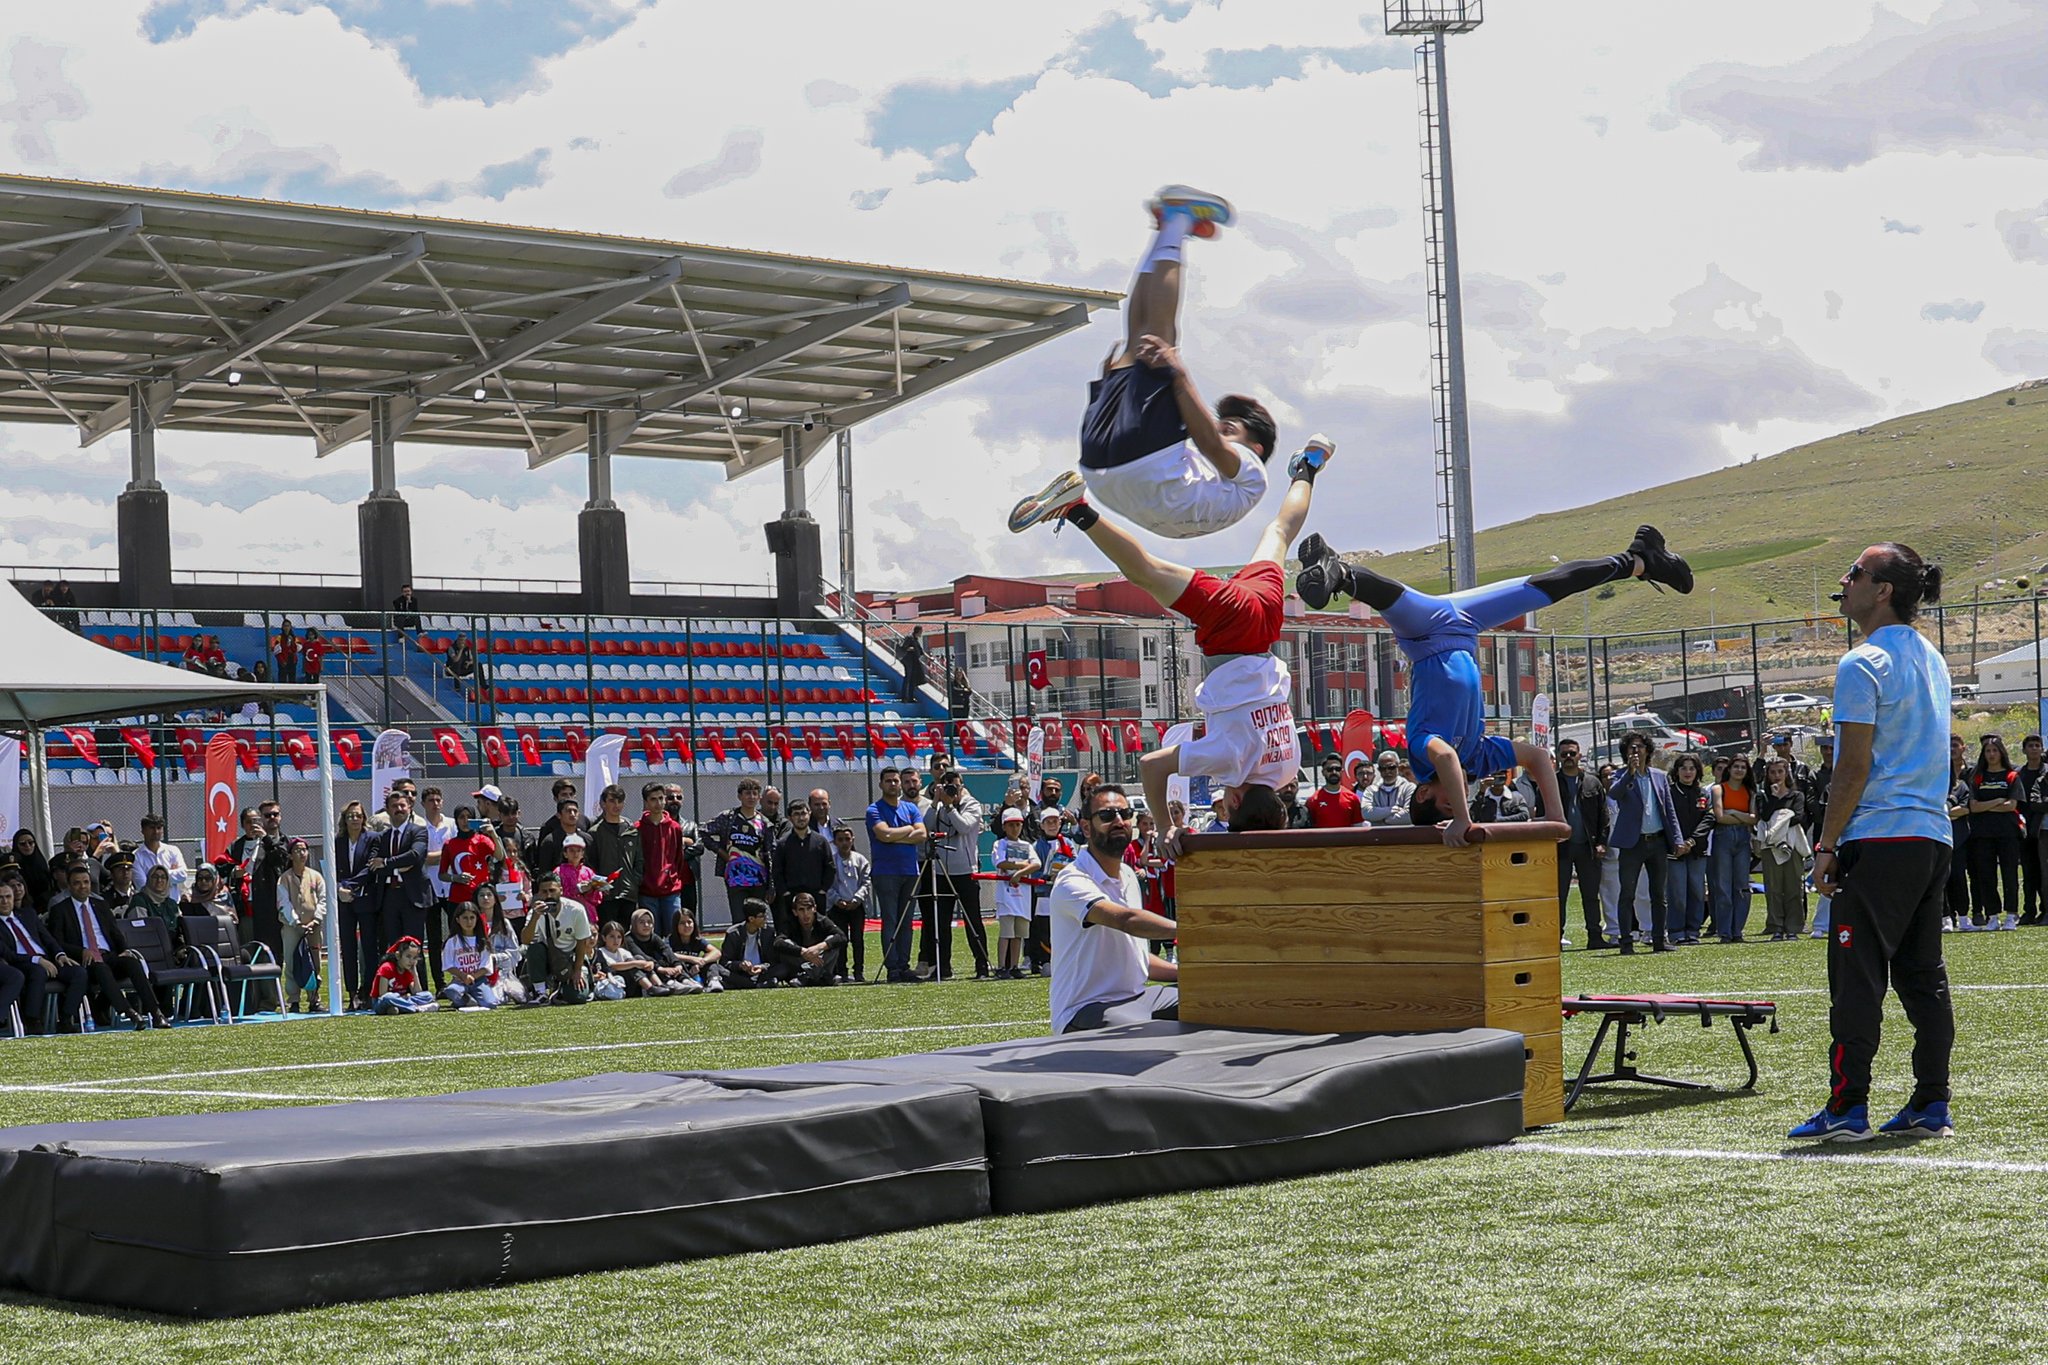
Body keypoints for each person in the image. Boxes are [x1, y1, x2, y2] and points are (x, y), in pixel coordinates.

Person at [1015, 431, 1330, 850]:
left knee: (1279, 532)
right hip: (1230, 627)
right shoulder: (1229, 763)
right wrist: (1167, 827)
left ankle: (1308, 466)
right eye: (1228, 803)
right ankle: (1077, 509)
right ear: (1233, 800)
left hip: (1266, 622)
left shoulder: (1288, 768)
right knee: (1144, 571)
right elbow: (1151, 764)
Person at [1298, 531, 1691, 844]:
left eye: (1449, 803)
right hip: (1464, 624)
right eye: (1460, 805)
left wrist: (1462, 822)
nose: (1461, 798)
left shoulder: (1421, 751)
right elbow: (1537, 757)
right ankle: (1640, 559)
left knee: (1389, 599)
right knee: (1548, 587)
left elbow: (1447, 759)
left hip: (1426, 632)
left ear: (1422, 794)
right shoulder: (1480, 757)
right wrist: (1555, 818)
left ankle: (1339, 572)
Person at [1792, 543, 1956, 1142]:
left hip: (1879, 836)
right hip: (1931, 836)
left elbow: (1851, 769)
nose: (1844, 580)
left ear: (1882, 589)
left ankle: (1847, 1108)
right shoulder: (1932, 659)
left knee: (1856, 978)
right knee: (1922, 974)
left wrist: (1826, 845)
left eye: (1855, 572)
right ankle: (1931, 1102)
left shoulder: (1861, 663)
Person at [1008, 186, 1274, 541]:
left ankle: (1177, 219)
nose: (1220, 427)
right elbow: (1204, 442)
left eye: (1231, 428)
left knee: (1161, 339)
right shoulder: (1218, 490)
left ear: (1255, 447)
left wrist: (1178, 376)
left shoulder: (1253, 472)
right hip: (1102, 470)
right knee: (1138, 340)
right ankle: (1168, 229)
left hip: (1143, 467)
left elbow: (1210, 443)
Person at [1047, 784, 1181, 1032]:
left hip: (1140, 999)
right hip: (1085, 1010)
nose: (1119, 821)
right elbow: (1127, 920)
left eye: (1125, 814)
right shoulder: (1072, 880)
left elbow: (1138, 960)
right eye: (1107, 816)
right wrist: (1194, 930)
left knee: (1210, 1000)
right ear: (1086, 827)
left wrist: (1192, 974)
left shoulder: (1128, 875)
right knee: (1147, 1035)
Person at [48, 863, 170, 1029]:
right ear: (69, 886)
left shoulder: (100, 905)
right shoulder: (60, 910)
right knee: (101, 969)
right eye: (77, 883)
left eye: (86, 882)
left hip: (108, 955)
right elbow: (58, 941)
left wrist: (124, 949)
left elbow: (115, 933)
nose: (82, 886)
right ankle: (129, 1012)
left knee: (133, 963)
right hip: (85, 960)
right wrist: (81, 951)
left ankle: (156, 1013)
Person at [1606, 734, 1685, 954]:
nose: (1636, 751)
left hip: (1657, 842)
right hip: (1632, 844)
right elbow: (1614, 794)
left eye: (1640, 747)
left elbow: (1669, 811)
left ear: (1647, 750)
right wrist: (1629, 774)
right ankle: (1626, 942)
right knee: (1627, 894)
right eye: (1631, 748)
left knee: (1659, 895)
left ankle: (1659, 940)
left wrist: (1677, 839)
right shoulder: (1620, 776)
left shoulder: (1659, 777)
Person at [920, 771, 992, 981]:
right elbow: (928, 825)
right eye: (947, 787)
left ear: (962, 787)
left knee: (973, 921)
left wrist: (950, 806)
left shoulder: (972, 804)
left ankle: (981, 965)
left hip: (966, 871)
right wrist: (935, 802)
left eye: (955, 787)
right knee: (941, 923)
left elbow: (963, 826)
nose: (952, 791)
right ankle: (943, 967)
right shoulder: (939, 805)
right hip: (942, 871)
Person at [866, 767, 929, 984]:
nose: (893, 784)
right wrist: (907, 830)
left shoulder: (910, 808)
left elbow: (922, 834)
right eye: (889, 781)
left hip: (910, 872)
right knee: (890, 920)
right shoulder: (874, 810)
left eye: (895, 781)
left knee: (907, 921)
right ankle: (892, 967)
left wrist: (895, 835)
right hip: (886, 873)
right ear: (881, 784)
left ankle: (904, 965)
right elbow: (883, 834)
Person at [0, 879, 86, 1033]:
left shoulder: (28, 914)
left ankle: (66, 1019)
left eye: (8, 897)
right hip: (22, 962)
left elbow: (48, 938)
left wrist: (60, 954)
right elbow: (8, 955)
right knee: (37, 971)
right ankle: (33, 1020)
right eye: (0, 898)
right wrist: (36, 960)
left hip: (46, 959)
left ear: (13, 898)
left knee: (78, 972)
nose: (5, 901)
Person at [1553, 739, 1612, 949]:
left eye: (1572, 754)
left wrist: (1602, 843)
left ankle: (1595, 937)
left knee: (1590, 895)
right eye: (1564, 755)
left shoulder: (1592, 783)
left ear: (1580, 756)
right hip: (1560, 848)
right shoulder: (1552, 782)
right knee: (1558, 896)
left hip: (1588, 847)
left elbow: (1603, 816)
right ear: (1559, 757)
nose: (1568, 758)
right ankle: (1555, 939)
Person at [1965, 734, 2025, 931]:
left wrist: (1987, 805)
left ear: (2001, 753)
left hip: (2007, 833)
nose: (1991, 754)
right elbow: (1973, 807)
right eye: (1988, 751)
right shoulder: (1977, 777)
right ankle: (1992, 916)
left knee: (2009, 874)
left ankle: (2011, 915)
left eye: (1994, 751)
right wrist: (1998, 800)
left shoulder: (2012, 776)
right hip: (1982, 834)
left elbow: (2012, 805)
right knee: (1986, 875)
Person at [365, 790, 432, 960]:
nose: (399, 809)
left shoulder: (419, 831)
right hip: (389, 896)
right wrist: (398, 865)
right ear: (387, 810)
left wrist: (387, 862)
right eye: (394, 806)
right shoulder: (382, 837)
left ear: (410, 807)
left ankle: (419, 986)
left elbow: (415, 856)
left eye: (403, 805)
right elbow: (373, 864)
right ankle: (397, 986)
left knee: (414, 948)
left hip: (413, 896)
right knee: (394, 948)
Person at [703, 778, 772, 931]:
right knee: (740, 922)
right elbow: (703, 832)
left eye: (755, 794)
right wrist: (721, 853)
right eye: (747, 793)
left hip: (759, 880)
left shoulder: (765, 823)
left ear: (759, 797)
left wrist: (771, 885)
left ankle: (758, 953)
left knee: (758, 922)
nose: (751, 797)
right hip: (735, 879)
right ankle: (739, 954)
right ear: (739, 796)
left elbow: (770, 854)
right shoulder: (728, 817)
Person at [1756, 756, 1811, 940]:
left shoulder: (1796, 795)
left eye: (1780, 771)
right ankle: (1776, 926)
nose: (1777, 776)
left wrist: (1780, 817)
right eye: (1772, 772)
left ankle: (1794, 926)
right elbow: (1764, 816)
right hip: (1770, 845)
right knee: (1773, 887)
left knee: (1794, 885)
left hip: (1792, 844)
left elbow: (1798, 817)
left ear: (1787, 772)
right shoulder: (1763, 795)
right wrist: (1774, 798)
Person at [331, 800, 377, 1008]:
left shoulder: (373, 839)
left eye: (358, 815)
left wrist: (349, 885)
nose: (355, 819)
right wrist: (340, 888)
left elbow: (370, 868)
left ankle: (367, 991)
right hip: (344, 901)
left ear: (364, 818)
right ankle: (351, 993)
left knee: (368, 947)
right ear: (345, 820)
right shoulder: (338, 842)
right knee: (348, 949)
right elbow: (332, 868)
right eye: (350, 816)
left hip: (366, 899)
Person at [521, 872, 593, 1004]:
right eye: (544, 891)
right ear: (539, 893)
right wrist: (535, 918)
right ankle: (541, 992)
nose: (548, 895)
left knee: (577, 998)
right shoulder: (535, 912)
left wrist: (577, 971)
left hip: (570, 958)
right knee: (534, 948)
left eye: (552, 890)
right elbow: (525, 940)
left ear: (561, 890)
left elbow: (582, 942)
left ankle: (560, 991)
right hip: (547, 958)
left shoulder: (576, 910)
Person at [1709, 754, 1759, 943]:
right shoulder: (1718, 789)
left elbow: (1754, 819)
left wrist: (1735, 813)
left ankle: (1737, 930)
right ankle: (1724, 932)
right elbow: (1720, 817)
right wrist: (1743, 816)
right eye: (1736, 766)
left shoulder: (1750, 792)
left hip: (1743, 839)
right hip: (1723, 836)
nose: (1739, 770)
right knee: (1723, 886)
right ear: (1729, 769)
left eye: (1743, 767)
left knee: (1742, 886)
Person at [1666, 754, 1715, 946]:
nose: (1688, 772)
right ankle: (1676, 931)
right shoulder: (1668, 792)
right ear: (1676, 771)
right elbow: (1668, 819)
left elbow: (1708, 819)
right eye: (1684, 768)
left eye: (1692, 768)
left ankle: (1693, 930)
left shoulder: (1702, 793)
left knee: (1696, 891)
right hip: (1674, 851)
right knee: (1677, 893)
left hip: (1697, 850)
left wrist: (1692, 841)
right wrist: (1678, 842)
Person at [772, 800, 837, 941]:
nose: (801, 818)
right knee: (793, 933)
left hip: (816, 896)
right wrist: (785, 892)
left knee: (819, 933)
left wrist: (823, 889)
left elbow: (830, 867)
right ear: (790, 818)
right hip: (791, 897)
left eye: (803, 813)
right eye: (796, 814)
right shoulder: (783, 844)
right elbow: (777, 871)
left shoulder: (820, 841)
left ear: (809, 814)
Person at [277, 838, 326, 1013]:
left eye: (304, 849)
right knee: (291, 962)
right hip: (292, 928)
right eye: (297, 850)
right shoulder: (285, 879)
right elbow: (284, 903)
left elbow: (323, 900)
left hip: (313, 926)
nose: (302, 853)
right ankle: (294, 1000)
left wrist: (316, 919)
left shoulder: (316, 876)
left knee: (315, 962)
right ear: (290, 855)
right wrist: (296, 922)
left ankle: (314, 999)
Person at [990, 808, 1040, 979]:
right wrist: (1021, 866)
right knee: (1006, 933)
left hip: (1022, 897)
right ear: (1004, 826)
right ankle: (1002, 966)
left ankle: (1014, 966)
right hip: (1006, 895)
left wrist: (1018, 873)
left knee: (1019, 934)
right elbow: (1001, 863)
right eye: (1011, 825)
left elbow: (1036, 864)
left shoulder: (1026, 845)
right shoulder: (1000, 844)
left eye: (1018, 824)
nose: (1015, 828)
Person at [636, 782, 688, 937]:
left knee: (675, 932)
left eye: (661, 798)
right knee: (651, 934)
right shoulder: (638, 828)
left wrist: (672, 878)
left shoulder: (675, 827)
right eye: (653, 799)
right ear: (646, 802)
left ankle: (677, 961)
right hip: (646, 891)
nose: (658, 803)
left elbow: (678, 858)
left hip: (671, 890)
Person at [1029, 806, 1075, 977]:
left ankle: (1065, 960)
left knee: (1065, 927)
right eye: (1048, 822)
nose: (1052, 825)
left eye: (1055, 821)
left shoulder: (1068, 843)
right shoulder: (1036, 846)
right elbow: (1033, 869)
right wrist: (1046, 877)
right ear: (1041, 825)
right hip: (1044, 894)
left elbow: (1076, 863)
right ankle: (1046, 961)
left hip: (1064, 893)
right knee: (1044, 929)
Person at [829, 824, 873, 984]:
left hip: (856, 907)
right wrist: (837, 900)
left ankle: (859, 971)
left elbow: (866, 882)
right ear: (834, 842)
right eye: (840, 840)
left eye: (847, 839)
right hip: (837, 907)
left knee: (858, 939)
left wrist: (857, 899)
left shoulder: (861, 860)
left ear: (852, 839)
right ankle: (842, 971)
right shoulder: (831, 861)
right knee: (841, 940)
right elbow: (828, 884)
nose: (844, 843)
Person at [775, 892, 846, 986]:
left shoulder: (822, 920)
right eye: (801, 910)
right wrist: (802, 951)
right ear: (795, 912)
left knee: (832, 940)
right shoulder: (790, 923)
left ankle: (808, 974)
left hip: (819, 957)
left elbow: (841, 937)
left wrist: (819, 947)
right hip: (801, 960)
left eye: (809, 909)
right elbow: (778, 942)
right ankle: (819, 976)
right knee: (787, 943)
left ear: (814, 909)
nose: (806, 914)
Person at [439, 902, 500, 1009]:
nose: (469, 921)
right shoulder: (452, 941)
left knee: (491, 1004)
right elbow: (448, 965)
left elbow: (486, 966)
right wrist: (463, 976)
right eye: (465, 918)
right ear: (458, 920)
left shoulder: (482, 941)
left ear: (477, 919)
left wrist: (472, 976)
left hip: (479, 980)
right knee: (450, 991)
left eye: (472, 918)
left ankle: (475, 996)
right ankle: (466, 1000)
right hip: (459, 980)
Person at [625, 907, 697, 995]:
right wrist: (660, 968)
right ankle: (669, 984)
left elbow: (666, 950)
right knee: (643, 961)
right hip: (639, 974)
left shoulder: (654, 937)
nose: (646, 925)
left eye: (649, 922)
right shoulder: (628, 939)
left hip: (655, 967)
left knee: (667, 959)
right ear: (634, 923)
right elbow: (641, 955)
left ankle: (685, 980)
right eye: (641, 922)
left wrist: (677, 964)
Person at [2017, 734, 2048, 926]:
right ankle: (2029, 910)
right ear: (2024, 750)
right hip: (2024, 829)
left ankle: (2045, 910)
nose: (2034, 749)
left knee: (2045, 872)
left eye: (2037, 745)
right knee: (2029, 872)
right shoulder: (2019, 774)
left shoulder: (2046, 773)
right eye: (2031, 746)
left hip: (2043, 830)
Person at [719, 899, 781, 989]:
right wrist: (740, 965)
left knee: (783, 968)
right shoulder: (733, 933)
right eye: (762, 916)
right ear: (751, 919)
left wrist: (762, 967)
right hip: (740, 973)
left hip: (761, 973)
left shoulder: (768, 932)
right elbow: (724, 962)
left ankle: (746, 984)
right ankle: (757, 984)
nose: (765, 919)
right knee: (717, 969)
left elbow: (772, 961)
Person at [130, 815, 188, 905]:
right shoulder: (135, 856)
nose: (156, 831)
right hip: (150, 906)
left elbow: (183, 875)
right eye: (152, 828)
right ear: (143, 830)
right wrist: (170, 875)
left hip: (173, 905)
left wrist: (153, 876)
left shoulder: (173, 850)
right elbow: (142, 885)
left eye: (159, 828)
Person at [666, 905, 725, 993]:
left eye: (689, 922)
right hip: (680, 973)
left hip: (696, 970)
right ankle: (688, 984)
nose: (687, 925)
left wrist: (702, 962)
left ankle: (713, 982)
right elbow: (668, 954)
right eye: (682, 923)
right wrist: (693, 959)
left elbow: (717, 952)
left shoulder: (698, 940)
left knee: (711, 961)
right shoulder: (670, 940)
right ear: (676, 925)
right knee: (677, 963)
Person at [370, 936, 437, 1014]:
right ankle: (416, 1008)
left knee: (428, 995)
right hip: (382, 1002)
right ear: (398, 955)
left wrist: (415, 974)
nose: (411, 961)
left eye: (414, 958)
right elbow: (383, 994)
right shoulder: (386, 968)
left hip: (401, 1000)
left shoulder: (408, 970)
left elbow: (416, 992)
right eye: (408, 957)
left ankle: (400, 1008)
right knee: (389, 997)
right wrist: (402, 997)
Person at [897, 625, 928, 702]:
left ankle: (910, 697)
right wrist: (909, 648)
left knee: (913, 679)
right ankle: (904, 697)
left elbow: (921, 651)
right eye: (921, 631)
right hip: (909, 660)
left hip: (914, 661)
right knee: (908, 678)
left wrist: (929, 658)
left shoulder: (916, 640)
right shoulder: (910, 638)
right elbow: (903, 647)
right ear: (918, 631)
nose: (921, 633)